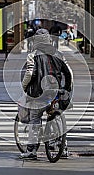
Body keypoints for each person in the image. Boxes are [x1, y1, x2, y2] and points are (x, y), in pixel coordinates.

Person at [20, 29, 73, 159]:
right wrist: (66, 88)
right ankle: (63, 148)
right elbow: (69, 73)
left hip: (39, 93)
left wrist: (24, 87)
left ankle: (31, 150)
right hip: (56, 92)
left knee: (35, 118)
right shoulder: (59, 54)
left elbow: (29, 74)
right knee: (57, 115)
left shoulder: (33, 55)